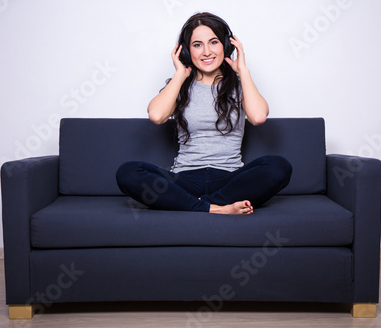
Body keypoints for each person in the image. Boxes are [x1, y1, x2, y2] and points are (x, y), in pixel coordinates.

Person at [116, 12, 292, 215]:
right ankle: (214, 208)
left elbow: (258, 117)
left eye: (214, 42)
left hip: (229, 180)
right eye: (197, 45)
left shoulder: (240, 85)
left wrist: (243, 71)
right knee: (128, 172)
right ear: (186, 51)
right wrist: (180, 74)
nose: (207, 52)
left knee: (279, 167)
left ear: (226, 46)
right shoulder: (179, 86)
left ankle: (195, 205)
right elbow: (156, 115)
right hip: (183, 180)